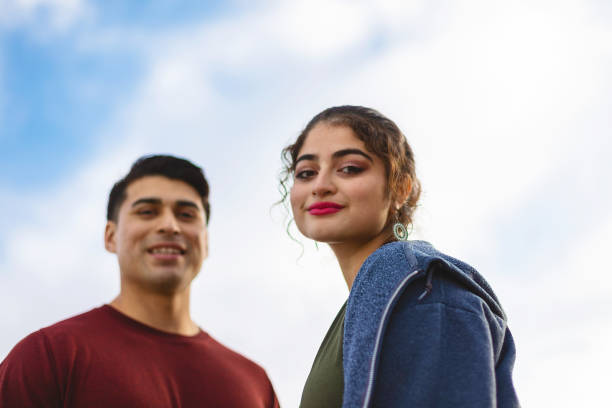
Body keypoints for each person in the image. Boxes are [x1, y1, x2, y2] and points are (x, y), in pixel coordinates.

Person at [280, 106, 520, 407]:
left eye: (350, 168)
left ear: (400, 189)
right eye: (306, 173)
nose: (321, 185)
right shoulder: (366, 305)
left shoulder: (425, 288)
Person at [0, 155, 279, 408]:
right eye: (147, 212)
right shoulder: (48, 357)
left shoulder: (255, 385)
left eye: (186, 214)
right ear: (110, 237)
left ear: (206, 242)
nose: (169, 226)